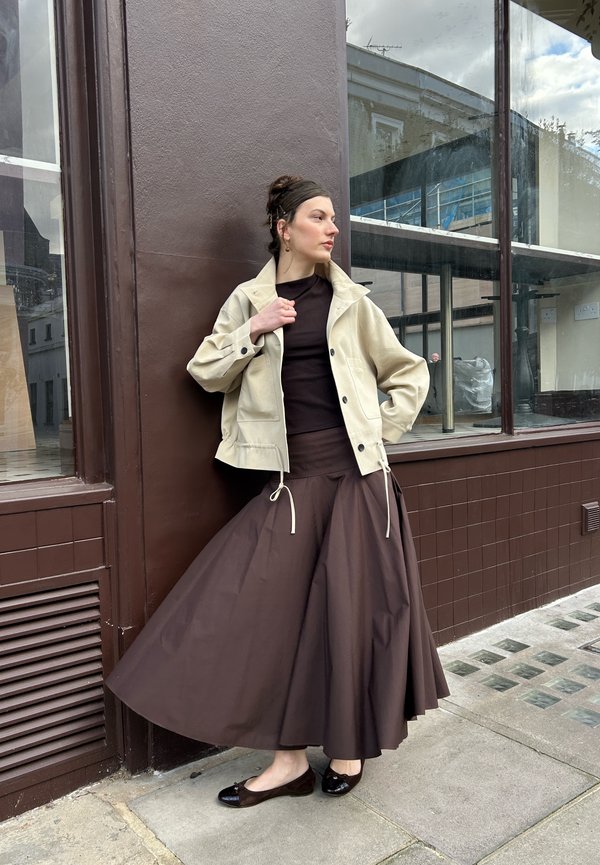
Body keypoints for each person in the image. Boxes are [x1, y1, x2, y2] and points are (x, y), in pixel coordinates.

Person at [107, 175, 449, 808]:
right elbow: (205, 372)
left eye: (334, 219)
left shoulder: (350, 301)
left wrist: (381, 432)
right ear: (283, 228)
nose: (332, 227)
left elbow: (407, 373)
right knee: (269, 614)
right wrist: (256, 328)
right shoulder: (249, 298)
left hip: (357, 478)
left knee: (351, 612)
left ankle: (347, 748)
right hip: (291, 484)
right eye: (318, 217)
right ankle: (288, 761)